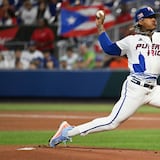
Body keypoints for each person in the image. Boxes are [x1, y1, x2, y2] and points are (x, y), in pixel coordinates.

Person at [48, 6, 160, 147]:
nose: (154, 20)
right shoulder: (131, 41)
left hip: (154, 88)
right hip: (136, 88)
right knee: (112, 122)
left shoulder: (159, 37)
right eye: (150, 17)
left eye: (154, 17)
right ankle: (67, 132)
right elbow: (108, 48)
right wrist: (100, 27)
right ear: (141, 21)